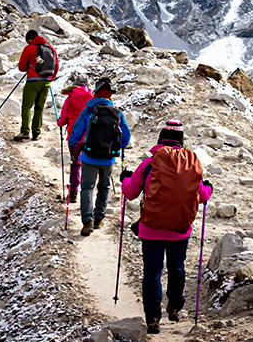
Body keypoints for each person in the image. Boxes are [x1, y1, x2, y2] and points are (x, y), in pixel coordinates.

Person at [121, 120, 212, 335]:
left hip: (151, 227)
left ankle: (153, 318)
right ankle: (175, 307)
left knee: (152, 272)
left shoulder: (150, 164)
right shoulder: (191, 165)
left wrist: (125, 179)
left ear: (160, 140)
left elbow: (131, 192)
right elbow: (201, 196)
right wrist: (208, 188)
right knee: (177, 267)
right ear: (181, 142)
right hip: (180, 228)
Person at [68, 77, 131, 236]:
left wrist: (74, 143)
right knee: (104, 187)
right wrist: (119, 146)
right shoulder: (117, 113)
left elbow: (76, 131)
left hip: (89, 156)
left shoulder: (88, 110)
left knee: (87, 188)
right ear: (110, 96)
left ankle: (87, 221)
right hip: (108, 157)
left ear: (95, 94)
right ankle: (99, 218)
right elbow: (126, 137)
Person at [15, 30, 60, 141]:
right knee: (39, 107)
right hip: (46, 82)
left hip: (32, 81)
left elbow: (21, 67)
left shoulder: (29, 48)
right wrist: (50, 77)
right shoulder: (50, 48)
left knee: (26, 106)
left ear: (30, 39)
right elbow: (56, 65)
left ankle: (25, 131)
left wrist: (30, 67)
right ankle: (36, 133)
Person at [57, 70, 93, 203]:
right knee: (89, 164)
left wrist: (59, 121)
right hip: (91, 137)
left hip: (74, 137)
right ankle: (87, 193)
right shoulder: (93, 97)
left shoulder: (70, 98)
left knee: (75, 165)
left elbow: (62, 121)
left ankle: (73, 193)